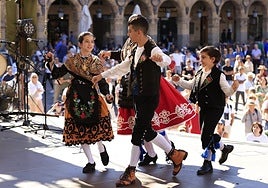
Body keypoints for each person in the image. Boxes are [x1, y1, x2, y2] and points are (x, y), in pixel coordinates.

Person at [92, 14, 188, 187]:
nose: (128, 34)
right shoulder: (136, 48)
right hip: (138, 96)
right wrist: (102, 76)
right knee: (147, 132)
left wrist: (162, 59)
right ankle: (175, 154)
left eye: (130, 31)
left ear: (138, 32)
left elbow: (166, 59)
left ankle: (130, 171)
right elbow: (123, 66)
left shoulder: (152, 48)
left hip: (149, 98)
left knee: (137, 134)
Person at [45, 31, 114, 173]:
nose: (90, 44)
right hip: (75, 98)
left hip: (92, 97)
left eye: (92, 42)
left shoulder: (96, 61)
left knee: (96, 128)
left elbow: (101, 81)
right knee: (80, 131)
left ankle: (101, 148)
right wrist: (50, 61)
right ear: (80, 44)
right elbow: (57, 74)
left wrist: (107, 94)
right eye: (87, 41)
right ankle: (90, 161)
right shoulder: (71, 60)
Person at [172, 46, 239, 175]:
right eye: (200, 57)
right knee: (206, 134)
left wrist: (234, 88)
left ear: (212, 59)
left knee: (205, 136)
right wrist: (179, 81)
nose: (200, 59)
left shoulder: (219, 75)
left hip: (215, 108)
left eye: (203, 57)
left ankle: (207, 163)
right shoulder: (200, 72)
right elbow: (192, 85)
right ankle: (224, 148)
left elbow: (227, 92)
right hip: (204, 107)